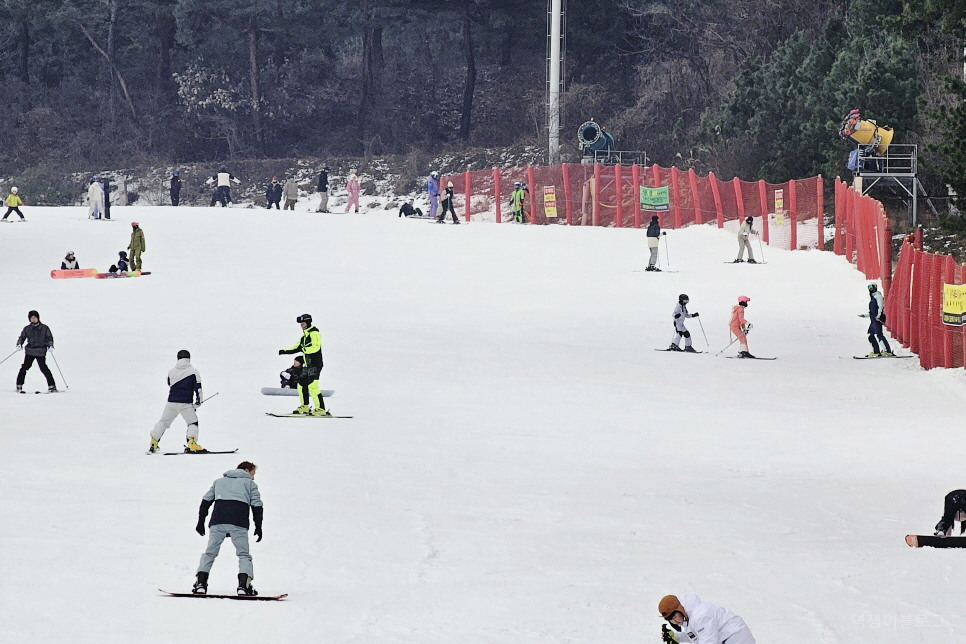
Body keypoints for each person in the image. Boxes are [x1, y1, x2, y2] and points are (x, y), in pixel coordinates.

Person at [192, 461, 263, 596]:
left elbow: (205, 502)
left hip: (218, 521)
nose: (254, 477)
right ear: (247, 470)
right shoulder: (250, 484)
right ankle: (244, 585)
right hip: (239, 522)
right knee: (243, 554)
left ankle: (200, 583)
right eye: (253, 473)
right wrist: (258, 526)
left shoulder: (219, 482)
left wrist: (201, 522)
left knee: (210, 553)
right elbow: (257, 506)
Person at [149, 349, 204, 453]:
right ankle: (192, 443)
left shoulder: (171, 372)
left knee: (164, 422)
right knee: (192, 423)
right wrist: (198, 401)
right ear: (189, 358)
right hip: (185, 403)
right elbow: (198, 388)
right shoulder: (193, 371)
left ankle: (154, 441)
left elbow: (170, 383)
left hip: (171, 402)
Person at [278, 314, 330, 416]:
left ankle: (320, 408)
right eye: (301, 324)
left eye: (303, 323)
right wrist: (284, 351)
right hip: (307, 365)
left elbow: (315, 347)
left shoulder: (314, 333)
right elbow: (296, 347)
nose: (302, 325)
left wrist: (304, 349)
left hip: (315, 364)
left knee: (313, 386)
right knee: (301, 385)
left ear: (308, 322)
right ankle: (305, 406)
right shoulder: (304, 336)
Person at [659, 593, 756, 644]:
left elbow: (708, 641)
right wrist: (677, 637)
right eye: (671, 620)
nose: (675, 622)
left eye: (675, 617)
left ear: (680, 609)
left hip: (737, 639)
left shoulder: (700, 615)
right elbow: (697, 637)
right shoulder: (689, 617)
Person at [15, 310, 56, 393]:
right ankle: (19, 385)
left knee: (43, 368)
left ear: (38, 318)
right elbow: (22, 337)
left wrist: (50, 345)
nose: (33, 319)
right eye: (31, 318)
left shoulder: (44, 328)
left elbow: (49, 338)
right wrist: (19, 344)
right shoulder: (27, 328)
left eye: (35, 317)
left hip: (40, 351)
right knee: (24, 367)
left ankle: (52, 386)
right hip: (30, 351)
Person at [861, 283, 894, 357]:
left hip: (877, 319)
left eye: (872, 287)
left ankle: (887, 351)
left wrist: (878, 316)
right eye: (869, 287)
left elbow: (880, 307)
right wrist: (865, 315)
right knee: (870, 334)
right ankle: (876, 351)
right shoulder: (873, 297)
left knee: (878, 334)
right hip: (873, 319)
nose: (870, 289)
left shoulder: (878, 296)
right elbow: (872, 311)